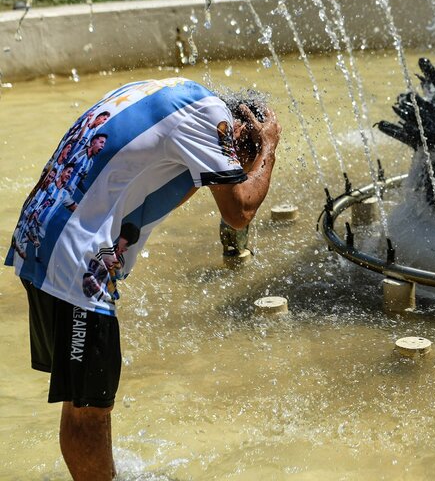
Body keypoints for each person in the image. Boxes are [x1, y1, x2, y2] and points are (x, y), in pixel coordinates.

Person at [5, 77, 281, 481]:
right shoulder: (212, 118)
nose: (241, 167)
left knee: (83, 401)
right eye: (245, 154)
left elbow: (167, 188)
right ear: (243, 131)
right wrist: (269, 147)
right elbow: (239, 210)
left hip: (42, 236)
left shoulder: (168, 94)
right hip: (74, 259)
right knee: (90, 412)